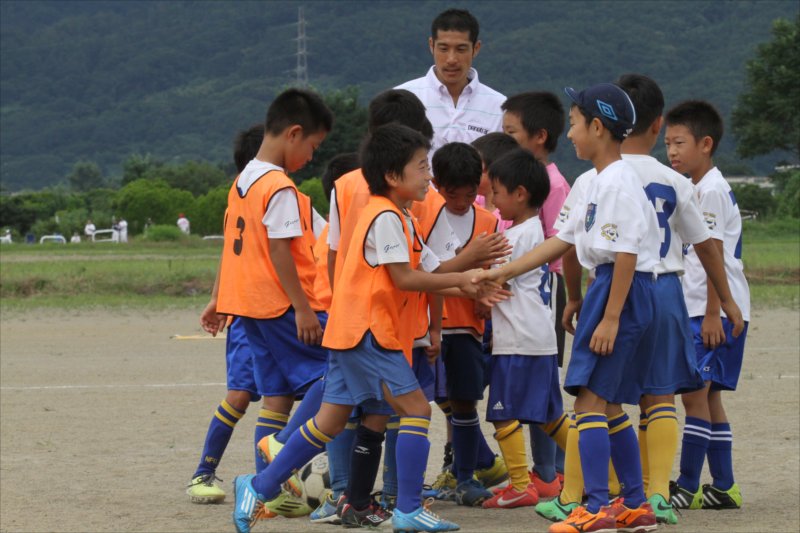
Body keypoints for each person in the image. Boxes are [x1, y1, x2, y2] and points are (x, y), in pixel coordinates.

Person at [232, 123, 487, 533]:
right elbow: (405, 278)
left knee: (328, 422)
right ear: (392, 176)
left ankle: (258, 485)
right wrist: (464, 281)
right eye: (422, 168)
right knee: (417, 410)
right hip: (369, 333)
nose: (429, 177)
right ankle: (406, 509)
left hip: (353, 331)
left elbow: (431, 268)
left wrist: (473, 276)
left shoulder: (398, 214)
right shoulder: (384, 215)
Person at [474, 82, 665, 533]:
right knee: (609, 402)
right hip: (608, 290)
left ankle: (596, 506)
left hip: (626, 291)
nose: (572, 133)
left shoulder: (617, 182)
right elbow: (562, 241)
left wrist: (612, 316)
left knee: (590, 401)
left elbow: (626, 255)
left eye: (577, 124)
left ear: (598, 127)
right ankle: (634, 505)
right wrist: (503, 273)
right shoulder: (589, 182)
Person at [214, 88, 333, 522]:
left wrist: (221, 298)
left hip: (248, 307)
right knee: (335, 373)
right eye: (313, 147)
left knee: (277, 395)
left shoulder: (243, 179)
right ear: (294, 133)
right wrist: (302, 308)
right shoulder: (278, 186)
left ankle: (269, 490)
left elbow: (234, 246)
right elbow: (281, 251)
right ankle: (284, 450)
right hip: (281, 304)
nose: (311, 157)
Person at [665, 100, 750, 511]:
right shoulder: (697, 187)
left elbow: (711, 250)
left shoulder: (711, 189)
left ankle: (686, 484)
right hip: (702, 307)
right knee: (709, 397)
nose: (672, 151)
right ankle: (724, 486)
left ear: (706, 144)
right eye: (667, 143)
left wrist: (714, 312)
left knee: (694, 397)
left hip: (709, 309)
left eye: (680, 142)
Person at [479, 148, 571, 510]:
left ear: (520, 194)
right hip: (539, 339)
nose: (493, 200)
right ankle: (604, 470)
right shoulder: (535, 232)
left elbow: (490, 284)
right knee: (549, 416)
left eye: (497, 193)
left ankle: (520, 484)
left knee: (503, 412)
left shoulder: (515, 239)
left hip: (517, 341)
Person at [187, 124, 266, 505]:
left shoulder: (247, 192)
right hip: (250, 314)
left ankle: (269, 483)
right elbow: (233, 255)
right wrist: (219, 299)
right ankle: (203, 472)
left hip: (270, 314)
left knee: (282, 397)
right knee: (239, 395)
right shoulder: (250, 193)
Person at [501, 91, 572, 499]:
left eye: (511, 132)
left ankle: (550, 471)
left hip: (543, 293)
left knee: (542, 387)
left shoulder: (556, 185)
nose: (504, 138)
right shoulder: (512, 181)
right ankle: (546, 471)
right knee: (534, 390)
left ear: (539, 136)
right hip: (520, 291)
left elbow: (560, 247)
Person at [427, 141, 506, 507]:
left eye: (469, 194)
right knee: (419, 400)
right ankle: (399, 483)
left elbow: (493, 274)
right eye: (451, 194)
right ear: (436, 185)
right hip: (429, 324)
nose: (460, 202)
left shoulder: (488, 222)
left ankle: (465, 476)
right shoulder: (423, 214)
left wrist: (486, 295)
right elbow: (428, 271)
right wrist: (466, 260)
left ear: (480, 186)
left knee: (464, 401)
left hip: (467, 326)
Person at [396, 8, 505, 156]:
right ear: (431, 45)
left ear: (476, 48)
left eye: (461, 49)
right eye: (443, 49)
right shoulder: (401, 99)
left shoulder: (499, 107)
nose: (451, 59)